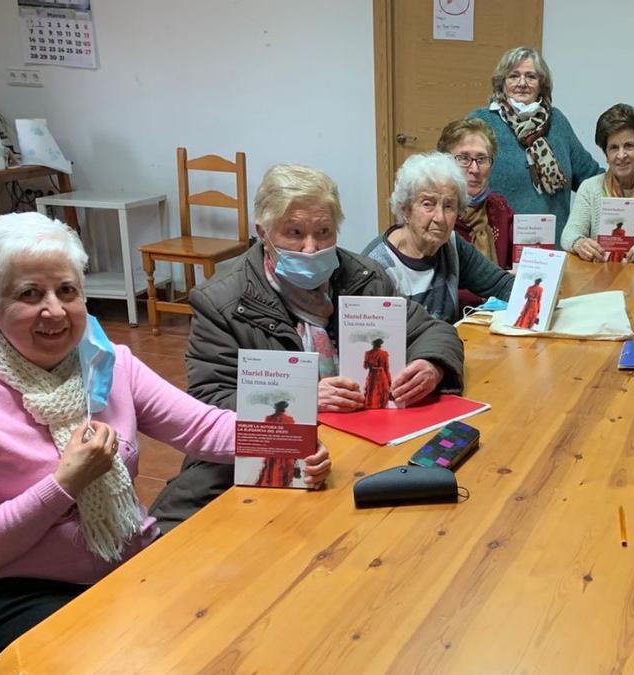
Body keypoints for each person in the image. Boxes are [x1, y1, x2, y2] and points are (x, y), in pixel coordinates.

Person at [0, 213, 330, 673]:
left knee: (247, 619)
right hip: (1, 595)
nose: (55, 311)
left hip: (118, 567)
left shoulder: (107, 362)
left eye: (67, 291)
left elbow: (200, 427)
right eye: (29, 294)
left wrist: (288, 440)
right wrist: (64, 483)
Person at [148, 164, 461, 533]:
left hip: (360, 442)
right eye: (294, 233)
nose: (311, 248)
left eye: (324, 232)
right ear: (263, 233)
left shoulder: (363, 277)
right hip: (259, 455)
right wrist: (303, 399)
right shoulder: (222, 302)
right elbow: (208, 402)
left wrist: (431, 364)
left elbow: (431, 330)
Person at [468, 46, 602, 243]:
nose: (522, 83)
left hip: (551, 247)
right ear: (501, 83)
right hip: (497, 248)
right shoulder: (481, 122)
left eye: (531, 76)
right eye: (513, 76)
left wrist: (633, 188)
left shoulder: (557, 122)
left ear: (542, 84)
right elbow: (450, 173)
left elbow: (590, 177)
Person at [362, 152, 515, 322]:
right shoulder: (378, 267)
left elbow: (501, 285)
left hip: (448, 346)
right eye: (428, 204)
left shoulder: (451, 245)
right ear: (405, 210)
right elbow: (378, 341)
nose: (440, 218)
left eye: (449, 206)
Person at [560, 103, 634, 260]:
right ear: (606, 154)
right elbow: (569, 235)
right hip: (598, 276)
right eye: (614, 148)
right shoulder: (589, 188)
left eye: (629, 146)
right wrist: (579, 243)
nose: (621, 155)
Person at [436, 118, 515, 270]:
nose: (475, 169)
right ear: (444, 162)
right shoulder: (436, 214)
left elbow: (523, 260)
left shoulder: (499, 209)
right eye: (464, 158)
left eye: (482, 159)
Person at [363, 338, 391, 409]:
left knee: (372, 391)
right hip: (382, 374)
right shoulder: (384, 353)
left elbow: (365, 366)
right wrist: (389, 380)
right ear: (380, 344)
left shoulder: (368, 353)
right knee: (381, 392)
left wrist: (371, 364)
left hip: (372, 374)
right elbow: (386, 367)